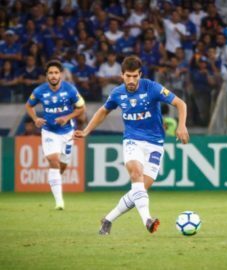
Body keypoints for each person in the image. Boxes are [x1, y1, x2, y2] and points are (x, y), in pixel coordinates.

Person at [74, 55, 189, 235]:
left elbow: (180, 104)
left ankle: (108, 220)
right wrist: (87, 130)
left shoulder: (152, 87)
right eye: (128, 76)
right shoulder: (117, 93)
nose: (131, 80)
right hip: (132, 140)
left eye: (135, 76)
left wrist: (181, 125)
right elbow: (103, 111)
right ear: (122, 75)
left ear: (140, 75)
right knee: (136, 173)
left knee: (139, 190)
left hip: (155, 144)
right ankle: (148, 220)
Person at [24, 59, 86, 210]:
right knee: (53, 160)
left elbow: (81, 108)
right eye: (50, 73)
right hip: (49, 131)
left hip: (67, 133)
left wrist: (66, 117)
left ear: (61, 75)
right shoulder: (39, 91)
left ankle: (54, 180)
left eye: (56, 73)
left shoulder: (70, 90)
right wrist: (35, 119)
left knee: (62, 166)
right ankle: (59, 202)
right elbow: (28, 105)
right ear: (46, 76)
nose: (53, 75)